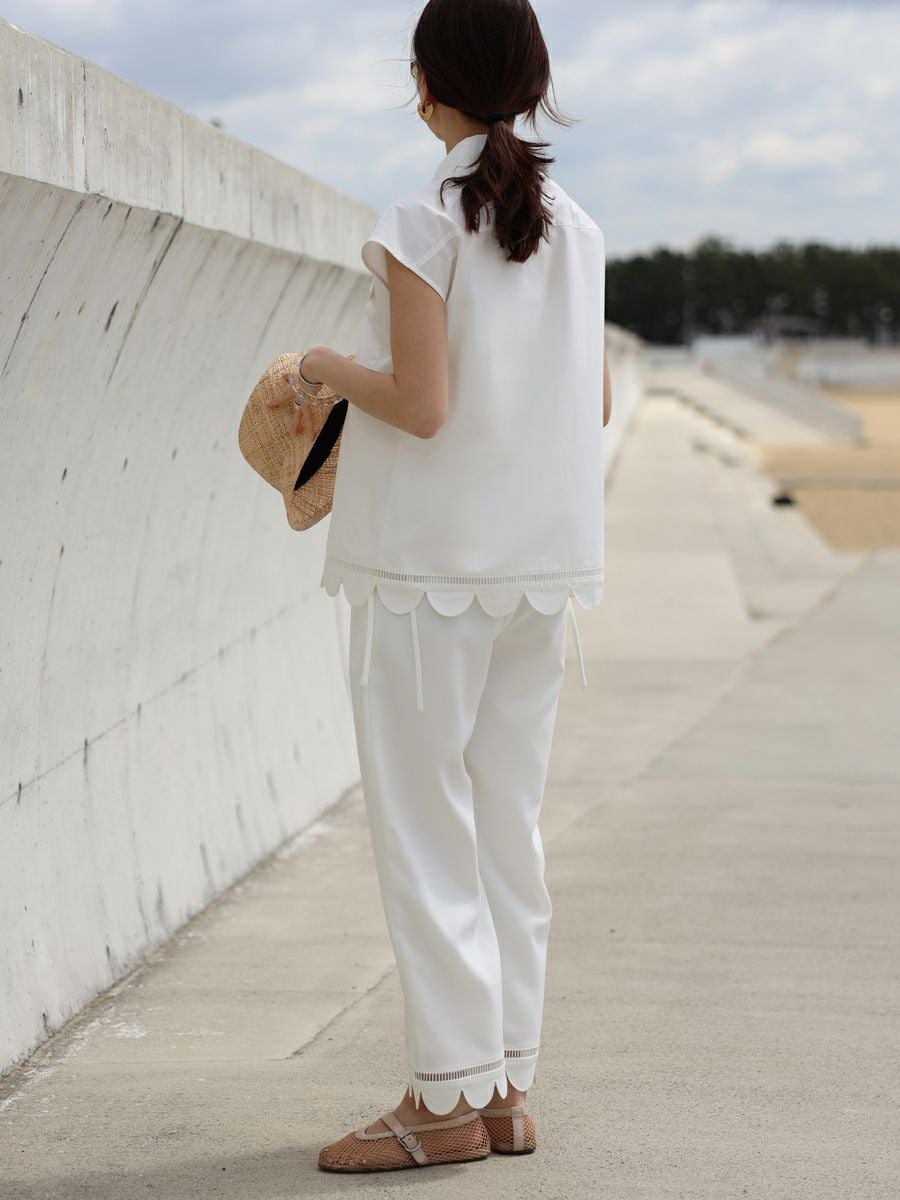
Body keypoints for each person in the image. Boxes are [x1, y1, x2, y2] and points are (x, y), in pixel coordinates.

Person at [286, 0, 611, 1173]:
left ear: (425, 84)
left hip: (427, 572)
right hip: (540, 572)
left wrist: (323, 366)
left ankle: (442, 1102)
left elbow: (422, 408)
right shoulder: (578, 230)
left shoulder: (421, 222)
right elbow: (594, 404)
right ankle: (505, 1084)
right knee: (505, 827)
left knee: (426, 832)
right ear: (529, 80)